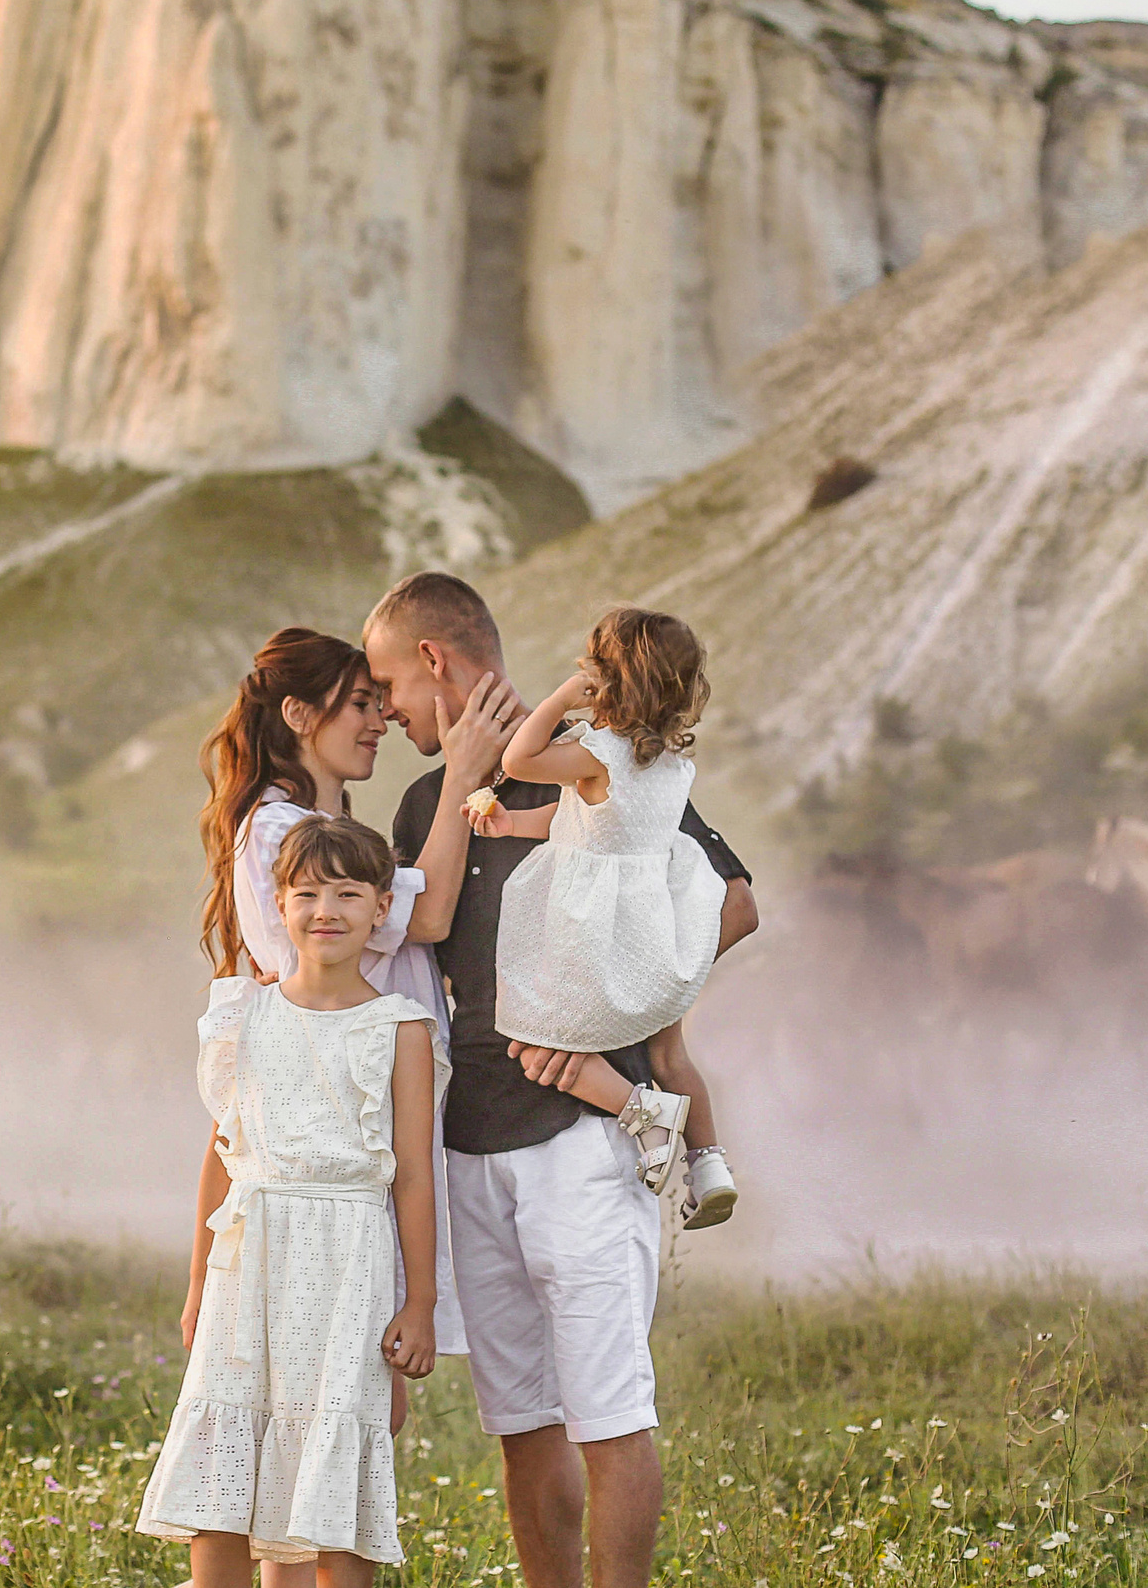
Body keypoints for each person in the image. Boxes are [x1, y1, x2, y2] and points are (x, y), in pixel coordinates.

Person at [362, 572, 758, 1588]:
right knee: (524, 1422)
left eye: (386, 683)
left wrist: (615, 1026)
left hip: (582, 1140)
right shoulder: (422, 799)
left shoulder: (604, 759)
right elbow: (424, 935)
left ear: (434, 663)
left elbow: (732, 904)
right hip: (469, 1142)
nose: (385, 707)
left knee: (609, 1414)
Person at [198, 625, 521, 1371]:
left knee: (365, 1389)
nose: (379, 722)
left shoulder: (325, 831)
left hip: (366, 1117)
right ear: (300, 715)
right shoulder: (285, 832)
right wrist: (465, 772)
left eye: (381, 703)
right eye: (358, 705)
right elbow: (431, 912)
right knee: (340, 1378)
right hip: (338, 1126)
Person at [137, 816, 448, 1587]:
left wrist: (421, 1302)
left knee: (332, 1475)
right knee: (222, 1480)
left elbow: (413, 1175)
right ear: (278, 902)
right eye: (307, 892)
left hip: (348, 1261)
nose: (325, 911)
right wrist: (198, 1281)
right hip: (252, 1258)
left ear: (383, 906)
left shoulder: (400, 1027)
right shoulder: (245, 1013)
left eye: (347, 892)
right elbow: (222, 1153)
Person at [464, 606, 738, 1216]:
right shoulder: (670, 764)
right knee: (673, 1054)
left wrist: (561, 700)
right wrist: (511, 824)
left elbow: (517, 761)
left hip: (594, 931)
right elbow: (585, 827)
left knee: (534, 1040)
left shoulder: (600, 754)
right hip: (653, 933)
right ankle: (710, 1162)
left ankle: (642, 1111)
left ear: (608, 680)